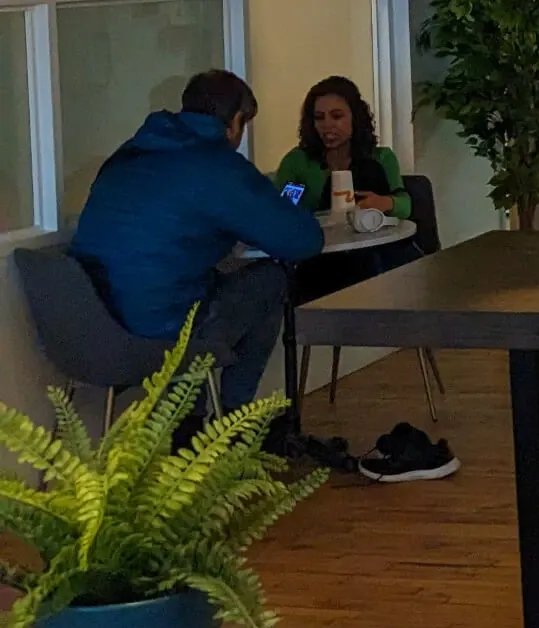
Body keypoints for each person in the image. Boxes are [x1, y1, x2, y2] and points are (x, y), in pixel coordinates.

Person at [69, 70, 323, 415]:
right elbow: (303, 241)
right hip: (160, 332)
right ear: (235, 122)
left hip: (89, 326)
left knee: (208, 283)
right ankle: (230, 426)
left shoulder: (128, 154)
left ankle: (197, 419)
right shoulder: (218, 166)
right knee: (271, 278)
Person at [274, 76, 411, 220]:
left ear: (356, 118)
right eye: (319, 118)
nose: (327, 125)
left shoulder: (381, 158)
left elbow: (405, 207)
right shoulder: (298, 163)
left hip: (375, 237)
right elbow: (280, 211)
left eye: (336, 116)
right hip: (322, 238)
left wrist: (386, 203)